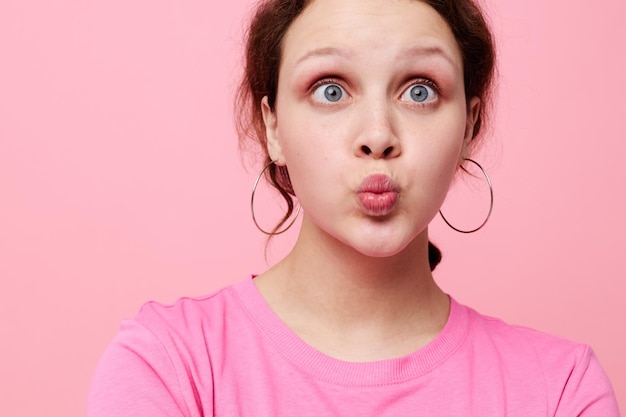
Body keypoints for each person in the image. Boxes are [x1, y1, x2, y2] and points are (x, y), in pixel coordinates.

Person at [86, 0, 620, 415]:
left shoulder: (561, 390)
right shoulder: (168, 365)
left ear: (470, 127)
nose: (377, 136)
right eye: (331, 90)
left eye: (419, 91)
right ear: (272, 126)